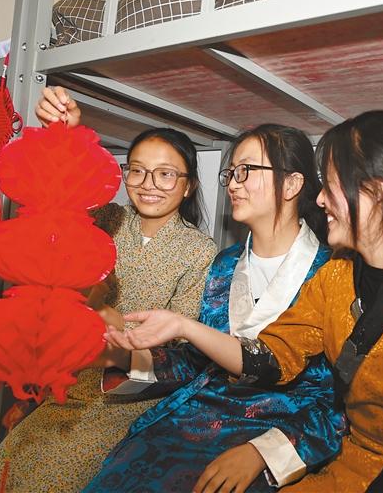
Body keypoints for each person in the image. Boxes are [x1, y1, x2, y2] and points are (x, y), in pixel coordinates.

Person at [104, 110, 383, 492]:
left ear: (378, 191)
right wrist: (181, 327)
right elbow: (272, 357)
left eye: (331, 186)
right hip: (345, 459)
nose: (319, 200)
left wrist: (263, 451)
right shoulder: (335, 277)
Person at [0, 87, 217, 492]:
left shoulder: (200, 251)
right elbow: (59, 192)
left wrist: (118, 334)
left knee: (54, 474)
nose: (148, 184)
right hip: (69, 378)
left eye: (166, 173)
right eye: (137, 170)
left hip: (132, 397)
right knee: (4, 473)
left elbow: (184, 352)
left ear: (188, 186)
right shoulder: (106, 220)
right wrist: (67, 131)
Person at [84, 124, 346, 493]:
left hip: (280, 427)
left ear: (291, 184)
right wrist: (122, 354)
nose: (233, 184)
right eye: (231, 172)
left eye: (246, 171)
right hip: (199, 415)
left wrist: (262, 453)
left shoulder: (333, 272)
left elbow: (342, 399)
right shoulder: (225, 264)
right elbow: (196, 363)